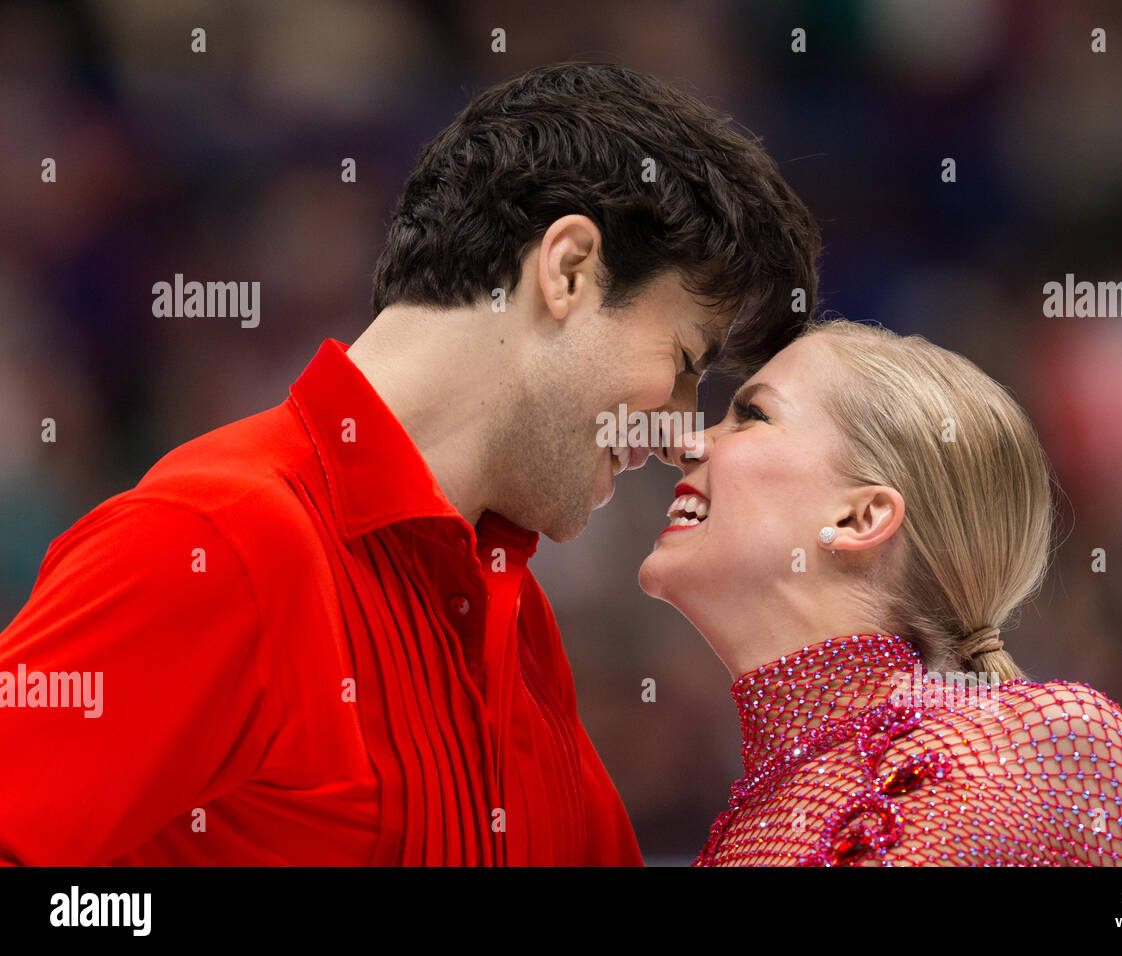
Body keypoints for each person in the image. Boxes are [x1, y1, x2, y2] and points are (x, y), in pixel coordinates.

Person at [0, 62, 821, 865]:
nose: (684, 433)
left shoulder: (518, 620)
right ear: (568, 269)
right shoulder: (214, 545)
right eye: (681, 363)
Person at [640, 318, 1122, 866]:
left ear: (860, 518)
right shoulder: (744, 830)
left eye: (752, 415)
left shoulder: (1046, 744)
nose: (688, 443)